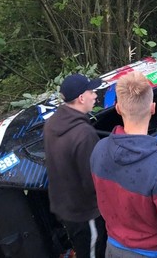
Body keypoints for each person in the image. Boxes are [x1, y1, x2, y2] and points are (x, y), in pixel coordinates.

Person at [90, 71, 157, 258]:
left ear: (118, 108)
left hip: (113, 248)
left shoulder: (99, 150)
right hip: (153, 253)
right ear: (152, 108)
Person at [44, 73, 107, 258]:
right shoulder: (83, 134)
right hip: (84, 212)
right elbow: (93, 182)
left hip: (64, 207)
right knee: (93, 252)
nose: (95, 95)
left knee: (81, 247)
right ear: (81, 98)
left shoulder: (51, 124)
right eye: (91, 92)